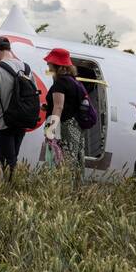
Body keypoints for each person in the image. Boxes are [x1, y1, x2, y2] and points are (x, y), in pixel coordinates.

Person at [0, 36, 31, 180]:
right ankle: (14, 186)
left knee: (7, 162)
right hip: (22, 121)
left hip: (4, 122)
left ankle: (11, 189)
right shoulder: (26, 68)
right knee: (13, 157)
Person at [42, 48, 85, 178]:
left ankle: (62, 191)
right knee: (74, 161)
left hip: (65, 127)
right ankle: (74, 192)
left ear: (57, 65)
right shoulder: (75, 82)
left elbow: (59, 107)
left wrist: (51, 130)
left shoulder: (60, 83)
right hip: (76, 127)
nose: (48, 65)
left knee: (62, 161)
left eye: (50, 62)